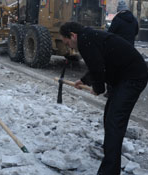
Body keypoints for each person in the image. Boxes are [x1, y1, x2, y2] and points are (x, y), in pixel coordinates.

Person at [59, 22, 148, 175]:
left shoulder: (85, 40)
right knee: (110, 118)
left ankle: (109, 171)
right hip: (123, 77)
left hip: (133, 77)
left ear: (73, 35)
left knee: (114, 121)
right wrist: (85, 80)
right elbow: (100, 61)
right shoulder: (89, 37)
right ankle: (110, 158)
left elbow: (98, 68)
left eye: (68, 42)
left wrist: (98, 88)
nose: (70, 47)